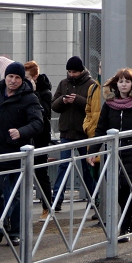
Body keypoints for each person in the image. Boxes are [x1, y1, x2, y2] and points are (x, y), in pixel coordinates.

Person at [0, 61, 43, 247]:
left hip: (18, 152)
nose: (12, 81)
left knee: (16, 194)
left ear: (22, 79)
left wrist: (21, 132)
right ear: (5, 77)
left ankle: (14, 231)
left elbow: (38, 123)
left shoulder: (29, 97)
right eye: (10, 77)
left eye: (16, 78)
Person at [95, 68, 132, 240]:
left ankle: (124, 228)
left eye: (127, 81)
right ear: (116, 84)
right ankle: (131, 217)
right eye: (121, 81)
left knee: (126, 185)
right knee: (115, 187)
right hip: (113, 152)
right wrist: (93, 151)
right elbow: (100, 129)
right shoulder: (109, 104)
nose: (124, 84)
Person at [51, 56, 100, 203]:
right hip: (66, 132)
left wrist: (77, 100)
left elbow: (92, 107)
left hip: (83, 133)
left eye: (74, 72)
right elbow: (54, 105)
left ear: (81, 71)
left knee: (87, 167)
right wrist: (63, 100)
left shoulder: (91, 85)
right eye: (69, 72)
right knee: (63, 166)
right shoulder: (63, 84)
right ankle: (56, 199)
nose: (72, 74)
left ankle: (94, 198)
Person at [24, 60, 55, 215]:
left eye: (27, 78)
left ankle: (47, 205)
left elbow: (45, 113)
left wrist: (34, 92)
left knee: (41, 172)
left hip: (41, 136)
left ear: (35, 77)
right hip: (26, 137)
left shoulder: (45, 92)